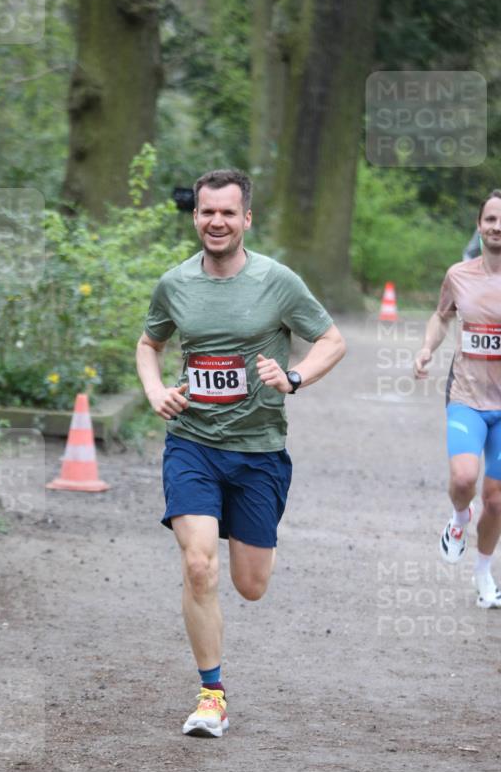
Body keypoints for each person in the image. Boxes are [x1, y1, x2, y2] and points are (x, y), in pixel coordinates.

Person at [136, 169, 346, 737]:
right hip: (193, 444)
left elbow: (332, 340)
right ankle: (212, 695)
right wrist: (156, 390)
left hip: (258, 450)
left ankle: (253, 537)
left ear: (246, 219)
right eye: (207, 212)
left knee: (251, 584)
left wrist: (295, 376)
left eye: (228, 212)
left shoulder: (277, 282)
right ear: (195, 216)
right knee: (199, 564)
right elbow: (149, 343)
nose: (216, 222)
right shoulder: (175, 284)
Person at [414, 189, 501, 608]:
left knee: (495, 498)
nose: (497, 227)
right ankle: (459, 520)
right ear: (479, 225)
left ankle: (484, 574)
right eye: (490, 219)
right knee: (463, 479)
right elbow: (442, 316)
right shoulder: (459, 274)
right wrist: (427, 348)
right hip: (466, 393)